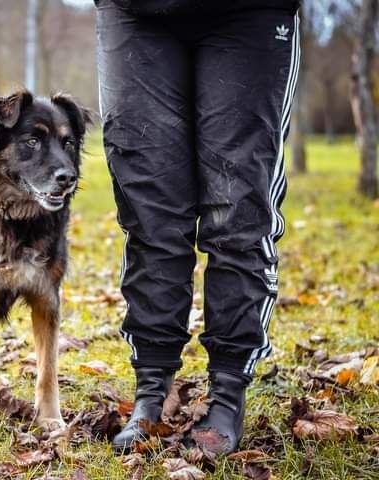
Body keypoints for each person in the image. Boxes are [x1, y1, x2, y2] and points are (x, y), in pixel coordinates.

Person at [94, 0, 301, 454]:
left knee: (238, 211)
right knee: (150, 214)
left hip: (251, 14)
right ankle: (152, 390)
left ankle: (227, 394)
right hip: (136, 12)